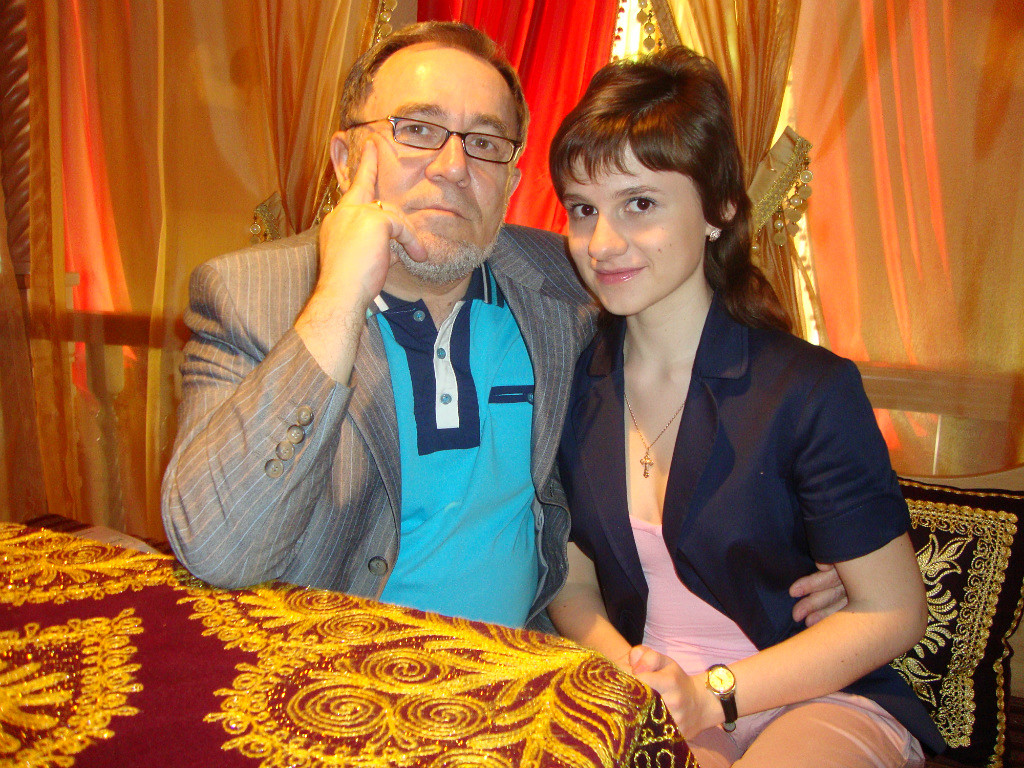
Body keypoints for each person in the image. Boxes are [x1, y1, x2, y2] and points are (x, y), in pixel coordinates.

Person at [162, 22, 843, 633]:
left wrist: (810, 537)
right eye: (417, 129)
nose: (453, 168)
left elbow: (712, 353)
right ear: (346, 161)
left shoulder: (573, 281)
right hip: (333, 680)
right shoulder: (250, 297)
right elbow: (218, 550)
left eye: (484, 143)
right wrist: (339, 296)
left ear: (512, 180)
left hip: (522, 674)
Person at [547, 47, 945, 766]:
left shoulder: (807, 390)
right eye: (583, 210)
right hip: (654, 697)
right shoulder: (573, 381)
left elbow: (893, 610)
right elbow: (570, 576)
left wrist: (712, 694)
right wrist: (633, 673)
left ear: (719, 207)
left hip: (818, 694)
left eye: (640, 203)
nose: (601, 243)